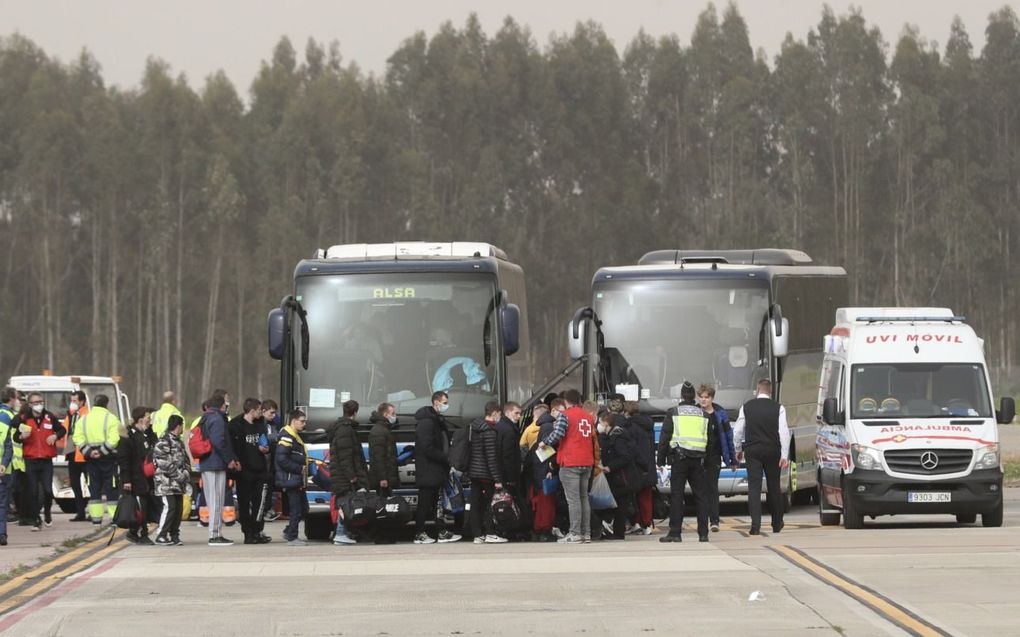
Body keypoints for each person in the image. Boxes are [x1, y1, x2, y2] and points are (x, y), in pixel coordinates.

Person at [733, 379, 791, 535]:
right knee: (774, 487)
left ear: (757, 390)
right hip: (773, 451)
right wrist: (784, 455)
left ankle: (755, 525)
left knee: (754, 488)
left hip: (753, 451)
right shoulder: (779, 408)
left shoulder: (747, 407)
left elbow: (738, 431)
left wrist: (738, 449)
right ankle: (777, 522)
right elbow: (784, 432)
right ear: (770, 391)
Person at [657, 381, 710, 543]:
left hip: (679, 460)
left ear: (681, 396)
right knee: (701, 497)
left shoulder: (673, 412)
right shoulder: (703, 414)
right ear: (694, 396)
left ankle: (675, 532)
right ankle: (703, 533)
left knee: (677, 496)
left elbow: (665, 437)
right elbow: (710, 440)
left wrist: (660, 459)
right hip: (698, 460)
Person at [540, 389, 594, 544]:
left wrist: (545, 441)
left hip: (571, 461)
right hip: (587, 461)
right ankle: (586, 533)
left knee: (573, 500)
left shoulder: (565, 415)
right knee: (584, 498)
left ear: (565, 402)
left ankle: (575, 533)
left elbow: (557, 434)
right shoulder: (588, 417)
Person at [412, 391, 461, 544]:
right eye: (444, 402)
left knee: (437, 503)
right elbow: (427, 447)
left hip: (437, 469)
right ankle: (419, 533)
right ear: (435, 402)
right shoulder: (427, 422)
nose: (446, 405)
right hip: (429, 469)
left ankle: (441, 531)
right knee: (425, 504)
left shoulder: (437, 420)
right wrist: (445, 457)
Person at [13, 392, 65, 530]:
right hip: (30, 460)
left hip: (46, 460)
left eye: (40, 402)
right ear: (29, 405)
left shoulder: (49, 416)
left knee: (48, 490)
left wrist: (55, 436)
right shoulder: (24, 418)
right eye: (35, 402)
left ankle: (47, 512)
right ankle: (36, 519)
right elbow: (15, 436)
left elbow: (62, 430)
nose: (39, 405)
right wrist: (21, 436)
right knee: (33, 492)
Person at [74, 393, 121, 527]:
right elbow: (115, 439)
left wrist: (89, 451)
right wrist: (102, 451)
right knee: (111, 489)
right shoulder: (111, 419)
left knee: (94, 489)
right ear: (106, 404)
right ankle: (114, 519)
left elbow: (77, 437)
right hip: (108, 459)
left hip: (91, 461)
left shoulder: (83, 419)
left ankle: (96, 520)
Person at [229, 398, 271, 544]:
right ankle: (248, 533)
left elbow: (265, 441)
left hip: (260, 470)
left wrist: (265, 449)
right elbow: (231, 446)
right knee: (244, 503)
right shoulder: (236, 425)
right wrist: (235, 461)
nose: (261, 412)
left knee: (260, 503)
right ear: (252, 411)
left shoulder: (260, 424)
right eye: (260, 410)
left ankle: (258, 530)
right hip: (244, 471)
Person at [199, 394, 239, 546]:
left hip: (206, 464)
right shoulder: (217, 419)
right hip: (215, 464)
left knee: (211, 499)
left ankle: (214, 533)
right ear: (222, 405)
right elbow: (219, 442)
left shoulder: (205, 417)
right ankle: (215, 535)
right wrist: (229, 460)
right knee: (216, 500)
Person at [698, 385, 737, 532]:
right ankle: (702, 519)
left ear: (712, 398)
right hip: (698, 456)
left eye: (706, 397)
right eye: (701, 397)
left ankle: (714, 521)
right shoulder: (695, 413)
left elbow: (728, 437)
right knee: (700, 489)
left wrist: (732, 459)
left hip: (714, 456)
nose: (703, 400)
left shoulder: (720, 414)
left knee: (712, 488)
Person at [466, 402, 507, 544]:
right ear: (494, 413)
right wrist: (497, 479)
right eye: (499, 414)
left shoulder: (475, 428)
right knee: (489, 504)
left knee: (476, 504)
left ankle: (477, 534)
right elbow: (491, 457)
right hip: (485, 475)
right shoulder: (489, 431)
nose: (500, 418)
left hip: (474, 472)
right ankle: (490, 532)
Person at [329, 400, 367, 546]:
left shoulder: (341, 428)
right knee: (345, 504)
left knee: (345, 504)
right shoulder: (345, 430)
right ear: (355, 412)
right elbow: (346, 457)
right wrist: (352, 476)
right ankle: (340, 533)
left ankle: (341, 532)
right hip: (344, 476)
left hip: (340, 474)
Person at [597, 411, 639, 540]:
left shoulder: (618, 437)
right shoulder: (614, 435)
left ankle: (618, 532)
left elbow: (624, 457)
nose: (598, 425)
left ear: (606, 423)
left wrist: (609, 467)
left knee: (620, 505)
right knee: (618, 504)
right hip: (620, 477)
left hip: (622, 478)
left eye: (600, 423)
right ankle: (616, 531)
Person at [118, 406, 155, 544]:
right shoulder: (129, 437)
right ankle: (141, 533)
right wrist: (126, 480)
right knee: (140, 508)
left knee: (143, 507)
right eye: (147, 417)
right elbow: (124, 460)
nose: (149, 420)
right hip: (134, 479)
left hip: (144, 478)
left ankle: (134, 532)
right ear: (140, 419)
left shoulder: (144, 435)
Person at [522, 403, 556, 541]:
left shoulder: (541, 426)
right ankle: (543, 529)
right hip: (544, 470)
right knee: (547, 503)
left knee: (541, 502)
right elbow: (549, 449)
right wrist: (551, 468)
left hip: (537, 469)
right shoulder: (549, 426)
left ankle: (539, 528)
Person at [153, 414, 189, 546]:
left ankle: (174, 534)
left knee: (178, 508)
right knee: (170, 507)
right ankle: (161, 534)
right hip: (166, 482)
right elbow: (163, 462)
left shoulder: (178, 441)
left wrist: (186, 472)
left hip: (178, 484)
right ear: (178, 426)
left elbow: (185, 460)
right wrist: (179, 475)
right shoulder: (163, 441)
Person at [275, 409, 309, 546]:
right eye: (302, 421)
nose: (304, 424)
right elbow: (282, 460)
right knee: (296, 509)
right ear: (293, 421)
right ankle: (292, 537)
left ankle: (289, 531)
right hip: (291, 479)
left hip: (296, 479)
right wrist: (300, 468)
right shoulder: (287, 437)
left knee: (303, 508)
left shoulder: (294, 436)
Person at [622, 402, 655, 535]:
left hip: (636, 466)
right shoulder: (648, 424)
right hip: (648, 465)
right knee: (645, 497)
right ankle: (645, 523)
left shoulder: (630, 427)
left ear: (627, 413)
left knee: (634, 497)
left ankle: (641, 523)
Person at [61, 391, 89, 521]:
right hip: (72, 454)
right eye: (71, 401)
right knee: (75, 485)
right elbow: (64, 430)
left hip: (85, 454)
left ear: (82, 401)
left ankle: (92, 511)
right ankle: (80, 512)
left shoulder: (87, 414)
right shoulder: (71, 415)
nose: (73, 403)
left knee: (90, 484)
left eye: (75, 401)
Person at [0, 388, 18, 546]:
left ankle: (2, 534)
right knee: (3, 503)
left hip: (5, 468)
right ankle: (2, 534)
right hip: (6, 468)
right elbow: (9, 446)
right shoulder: (8, 417)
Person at [258, 399, 281, 522]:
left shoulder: (274, 424)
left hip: (271, 462)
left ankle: (268, 509)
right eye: (271, 413)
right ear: (263, 411)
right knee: (263, 487)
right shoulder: (260, 424)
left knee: (270, 486)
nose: (274, 415)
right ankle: (264, 510)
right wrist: (275, 438)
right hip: (263, 462)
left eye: (275, 413)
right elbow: (268, 438)